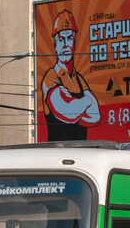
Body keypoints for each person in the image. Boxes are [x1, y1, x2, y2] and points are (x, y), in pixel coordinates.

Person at [40, 10, 101, 141]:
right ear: (55, 45)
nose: (66, 45)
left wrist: (73, 105)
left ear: (74, 42)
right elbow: (66, 112)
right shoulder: (50, 76)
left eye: (69, 39)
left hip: (82, 154)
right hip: (57, 154)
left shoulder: (79, 79)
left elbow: (95, 116)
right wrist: (86, 101)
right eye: (61, 39)